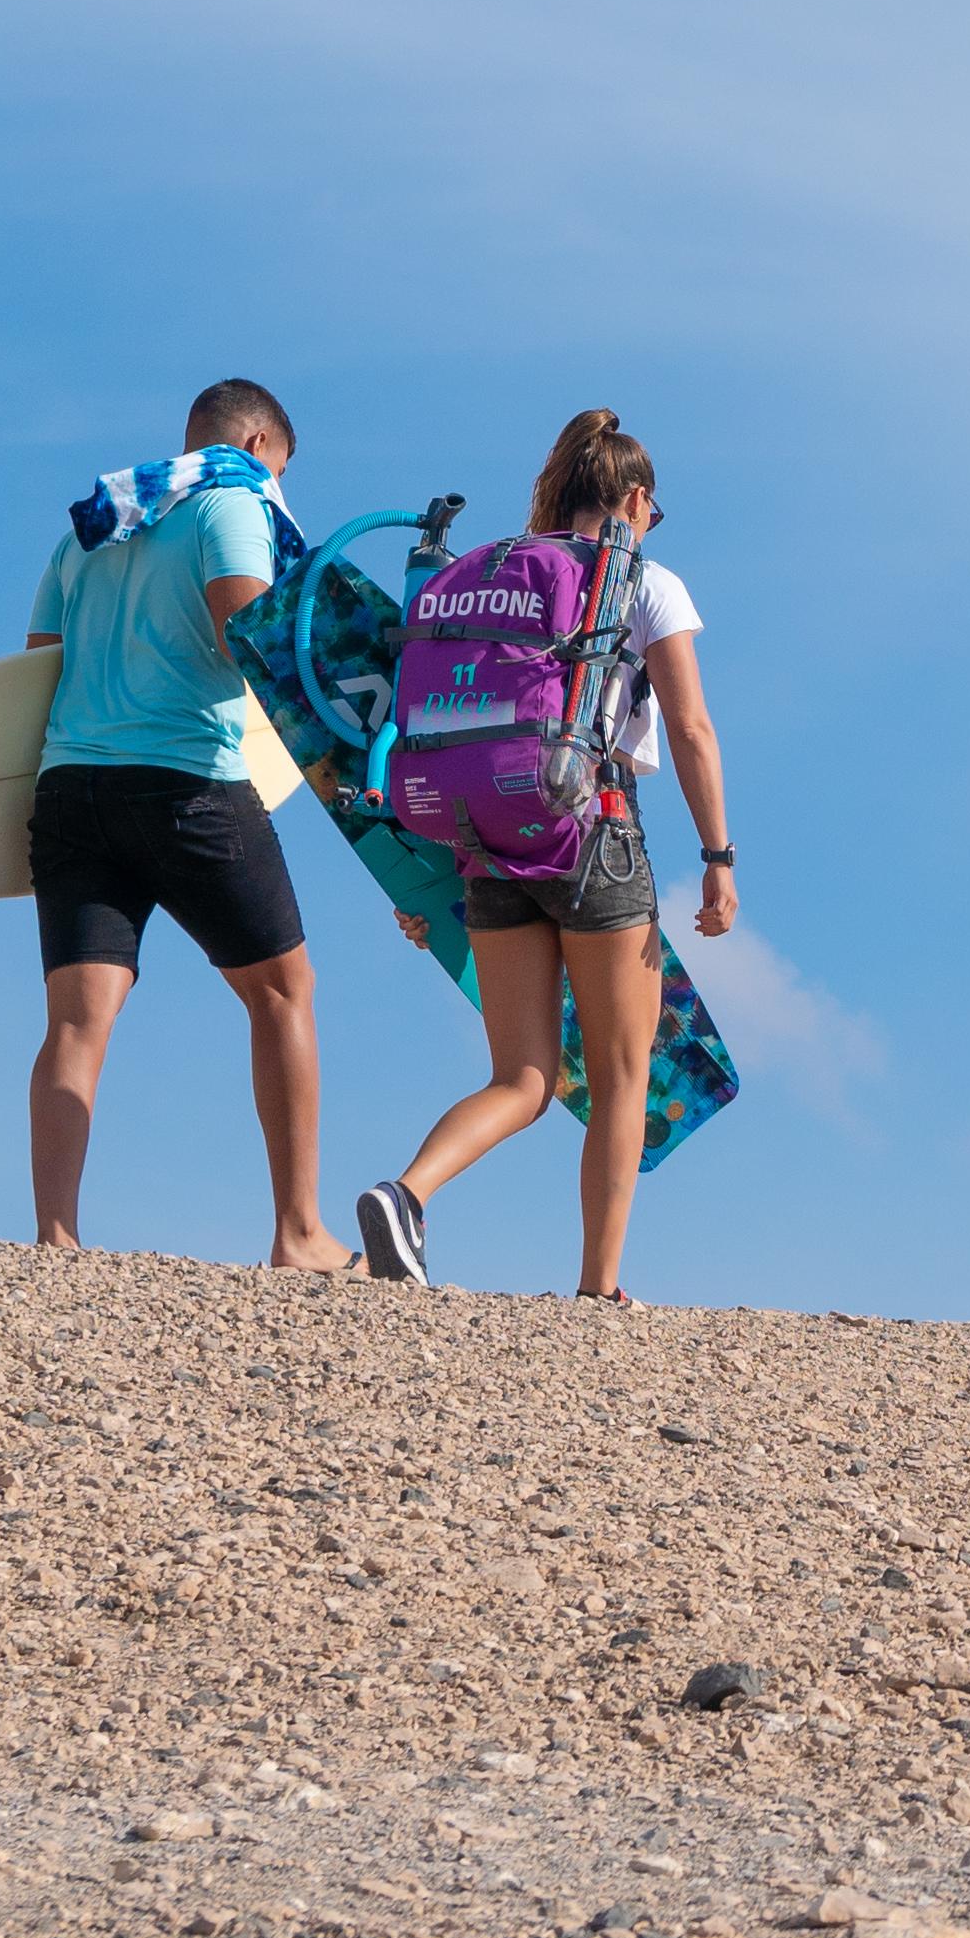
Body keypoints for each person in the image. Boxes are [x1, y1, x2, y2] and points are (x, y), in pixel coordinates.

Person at [352, 407, 734, 1303]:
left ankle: (404, 1193)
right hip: (590, 825)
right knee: (620, 1075)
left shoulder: (483, 573)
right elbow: (690, 727)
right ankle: (599, 1288)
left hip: (482, 834)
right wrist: (719, 855)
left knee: (521, 1077)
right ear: (636, 499)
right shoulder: (642, 580)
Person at [22, 377, 342, 1270]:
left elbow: (35, 672)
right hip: (187, 781)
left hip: (70, 788)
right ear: (256, 441)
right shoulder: (232, 504)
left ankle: (55, 1237)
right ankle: (300, 1233)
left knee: (77, 1022)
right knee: (283, 992)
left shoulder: (90, 528)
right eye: (278, 464)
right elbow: (253, 637)